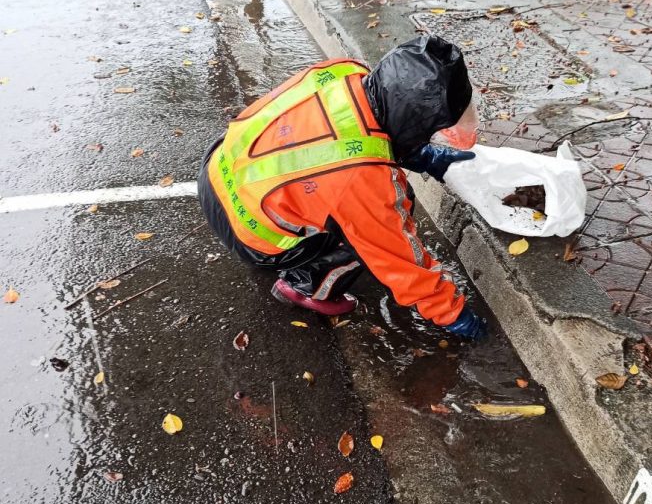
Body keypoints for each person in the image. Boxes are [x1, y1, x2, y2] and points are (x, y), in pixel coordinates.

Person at [197, 34, 488, 341]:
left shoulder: (348, 72)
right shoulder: (362, 182)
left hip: (221, 169)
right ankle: (306, 285)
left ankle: (301, 248)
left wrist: (425, 156)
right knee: (377, 224)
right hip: (248, 230)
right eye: (432, 133)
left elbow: (366, 131)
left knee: (371, 206)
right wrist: (454, 316)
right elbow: (401, 262)